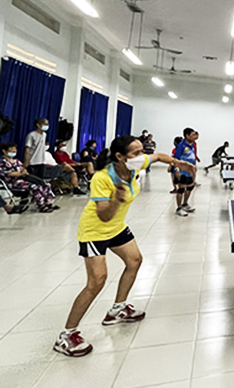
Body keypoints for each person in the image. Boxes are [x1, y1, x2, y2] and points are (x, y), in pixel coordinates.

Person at [53, 135, 196, 357]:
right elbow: (104, 216)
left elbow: (157, 156)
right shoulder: (102, 178)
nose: (142, 156)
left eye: (142, 151)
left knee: (135, 261)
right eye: (136, 153)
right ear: (120, 156)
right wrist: (117, 200)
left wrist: (178, 163)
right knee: (96, 282)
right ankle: (66, 335)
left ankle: (117, 309)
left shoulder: (135, 164)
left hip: (117, 227)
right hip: (94, 232)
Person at [1, 142, 57, 212]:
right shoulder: (2, 162)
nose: (14, 152)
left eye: (15, 151)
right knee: (35, 187)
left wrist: (23, 172)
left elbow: (24, 170)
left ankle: (48, 202)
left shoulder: (16, 161)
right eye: (11, 151)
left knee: (46, 184)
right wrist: (21, 173)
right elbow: (11, 174)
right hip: (14, 182)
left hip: (24, 179)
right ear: (4, 151)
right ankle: (41, 205)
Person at [173, 128, 199, 216]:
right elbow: (175, 159)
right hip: (182, 171)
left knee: (190, 187)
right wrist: (176, 171)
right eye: (192, 135)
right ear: (187, 136)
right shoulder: (181, 146)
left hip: (190, 171)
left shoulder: (191, 145)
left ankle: (185, 204)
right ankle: (179, 208)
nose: (194, 136)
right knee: (181, 189)